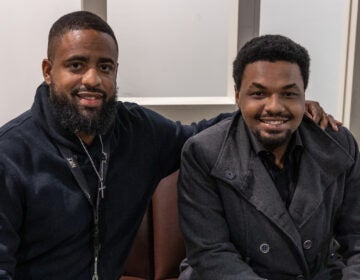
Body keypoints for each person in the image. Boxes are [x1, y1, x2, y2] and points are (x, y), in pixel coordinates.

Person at [0, 11, 336, 280]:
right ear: (48, 71)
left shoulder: (136, 130)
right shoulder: (10, 155)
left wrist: (275, 110)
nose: (93, 79)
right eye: (76, 65)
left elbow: (197, 134)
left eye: (105, 67)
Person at [178, 34, 360, 280]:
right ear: (237, 95)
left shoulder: (339, 145)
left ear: (304, 96)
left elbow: (357, 238)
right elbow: (211, 252)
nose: (274, 106)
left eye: (288, 94)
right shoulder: (203, 152)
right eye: (259, 94)